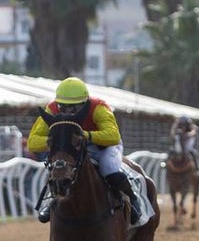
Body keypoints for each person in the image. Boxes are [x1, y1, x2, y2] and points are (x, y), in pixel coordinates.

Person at [27, 76, 142, 225]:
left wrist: (86, 135)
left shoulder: (99, 107)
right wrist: (50, 141)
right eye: (64, 106)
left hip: (103, 146)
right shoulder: (52, 108)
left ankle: (131, 200)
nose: (69, 111)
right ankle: (53, 202)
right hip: (73, 147)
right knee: (58, 168)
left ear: (85, 103)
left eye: (74, 107)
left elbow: (113, 136)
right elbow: (32, 142)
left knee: (109, 168)